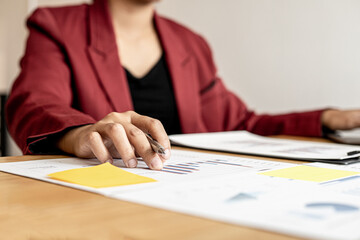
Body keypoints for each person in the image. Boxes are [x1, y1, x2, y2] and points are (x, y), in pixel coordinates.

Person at [6, 0, 360, 170]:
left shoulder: (190, 43)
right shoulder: (55, 24)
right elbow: (33, 102)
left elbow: (241, 124)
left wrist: (327, 118)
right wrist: (82, 133)